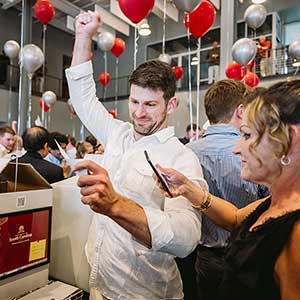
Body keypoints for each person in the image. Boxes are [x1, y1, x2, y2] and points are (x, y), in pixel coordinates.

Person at [67, 10, 207, 300]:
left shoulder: (182, 158)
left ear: (171, 105)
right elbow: (83, 98)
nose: (139, 113)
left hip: (145, 292)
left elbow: (185, 237)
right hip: (99, 279)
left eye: (150, 104)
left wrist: (116, 204)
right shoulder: (117, 133)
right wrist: (82, 36)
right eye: (134, 101)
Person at [156, 79, 300, 300]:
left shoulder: (295, 232)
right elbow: (234, 218)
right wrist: (187, 187)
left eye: (247, 135)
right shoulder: (274, 203)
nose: (236, 148)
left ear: (289, 141)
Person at [185, 80, 268, 300]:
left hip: (203, 257)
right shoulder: (254, 152)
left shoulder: (185, 152)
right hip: (250, 255)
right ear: (241, 110)